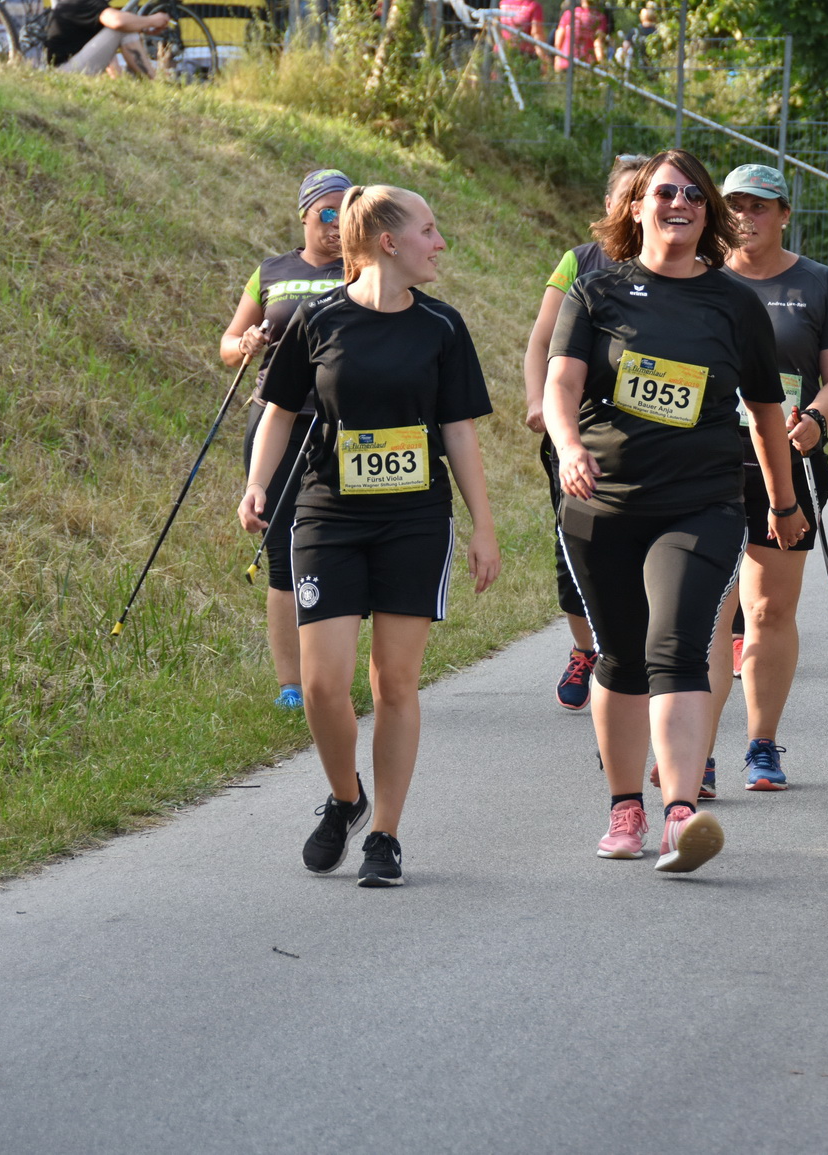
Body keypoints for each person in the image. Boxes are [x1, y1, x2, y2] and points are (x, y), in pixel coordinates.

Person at [544, 149, 804, 873]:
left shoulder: (733, 303)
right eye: (665, 192)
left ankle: (681, 813)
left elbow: (766, 411)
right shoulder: (596, 291)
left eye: (694, 194)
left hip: (701, 502)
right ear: (637, 206)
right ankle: (625, 807)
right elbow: (561, 385)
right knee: (622, 655)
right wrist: (568, 447)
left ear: (707, 212)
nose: (679, 203)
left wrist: (782, 502)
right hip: (603, 502)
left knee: (679, 645)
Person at [241, 185, 501, 888]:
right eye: (429, 230)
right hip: (328, 515)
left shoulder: (442, 326)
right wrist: (258, 483)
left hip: (415, 520)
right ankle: (345, 797)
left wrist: (483, 526)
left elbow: (458, 431)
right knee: (323, 684)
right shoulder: (318, 317)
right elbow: (280, 410)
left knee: (394, 680)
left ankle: (384, 832)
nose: (440, 243)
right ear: (389, 241)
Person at [704, 162, 828, 791]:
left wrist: (818, 420)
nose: (746, 217)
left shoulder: (818, 284)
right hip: (708, 465)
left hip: (788, 466)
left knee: (768, 610)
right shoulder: (700, 277)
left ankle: (762, 745)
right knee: (709, 613)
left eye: (760, 206)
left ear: (784, 214)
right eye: (736, 205)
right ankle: (695, 752)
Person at [523, 154, 649, 712]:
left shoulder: (681, 264)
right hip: (578, 436)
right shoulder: (580, 261)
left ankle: (639, 650)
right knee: (577, 546)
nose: (636, 207)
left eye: (646, 195)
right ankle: (585, 648)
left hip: (649, 440)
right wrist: (539, 402)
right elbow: (541, 341)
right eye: (627, 196)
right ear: (609, 204)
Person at [222, 168, 348, 711]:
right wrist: (245, 343)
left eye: (347, 212)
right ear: (304, 215)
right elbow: (228, 343)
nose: (337, 224)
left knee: (338, 546)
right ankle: (290, 685)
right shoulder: (270, 271)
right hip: (276, 419)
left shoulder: (364, 268)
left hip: (341, 423)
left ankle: (333, 672)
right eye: (327, 212)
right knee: (281, 550)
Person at [43, 0, 171, 75]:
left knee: (123, 28)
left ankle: (150, 78)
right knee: (122, 29)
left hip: (66, 68)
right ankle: (154, 80)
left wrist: (143, 28)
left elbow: (104, 46)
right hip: (66, 71)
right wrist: (151, 21)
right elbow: (118, 22)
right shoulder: (86, 2)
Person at [553, 0, 605, 71]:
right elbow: (598, 43)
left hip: (566, 61)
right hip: (586, 64)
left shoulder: (570, 13)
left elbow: (558, 40)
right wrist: (601, 63)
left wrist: (557, 59)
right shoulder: (599, 18)